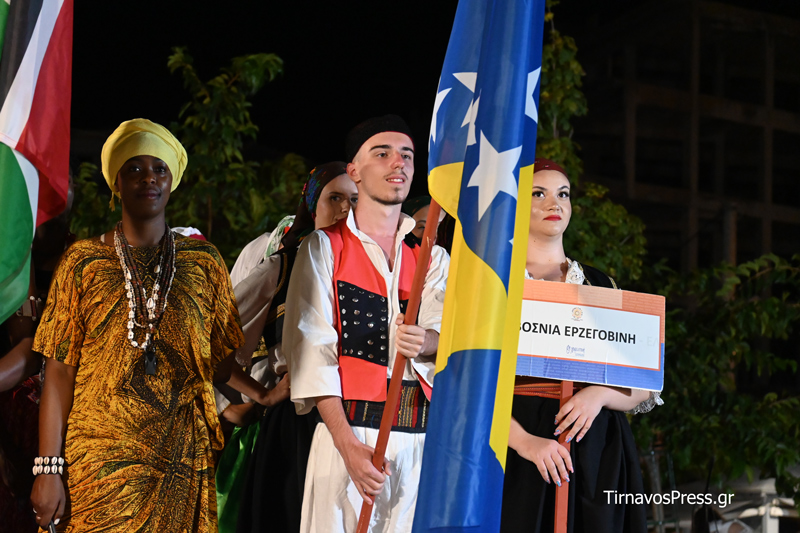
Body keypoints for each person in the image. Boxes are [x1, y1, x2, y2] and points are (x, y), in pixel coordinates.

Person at [30, 118, 244, 532]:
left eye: (159, 168)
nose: (149, 178)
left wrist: (266, 392)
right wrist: (48, 467)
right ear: (116, 182)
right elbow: (58, 371)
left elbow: (220, 363)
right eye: (134, 168)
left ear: (172, 181)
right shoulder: (82, 263)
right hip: (97, 467)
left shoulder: (205, 263)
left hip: (180, 464)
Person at [283, 115, 449, 533]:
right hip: (349, 438)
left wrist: (427, 340)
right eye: (383, 153)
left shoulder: (431, 256)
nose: (399, 162)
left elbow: (448, 334)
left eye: (407, 154)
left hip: (420, 441)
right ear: (354, 171)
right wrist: (348, 447)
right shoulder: (324, 247)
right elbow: (312, 353)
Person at [500, 158, 661, 533]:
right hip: (521, 443)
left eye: (563, 194)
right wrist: (523, 442)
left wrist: (598, 395)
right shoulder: (498, 284)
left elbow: (643, 384)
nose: (553, 203)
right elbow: (471, 384)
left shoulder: (602, 284)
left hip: (597, 450)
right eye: (538, 194)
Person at [218, 162, 358, 533]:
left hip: (359, 418)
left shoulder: (377, 270)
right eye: (334, 198)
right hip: (298, 422)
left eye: (355, 200)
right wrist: (262, 395)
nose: (346, 209)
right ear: (312, 207)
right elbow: (208, 341)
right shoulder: (282, 266)